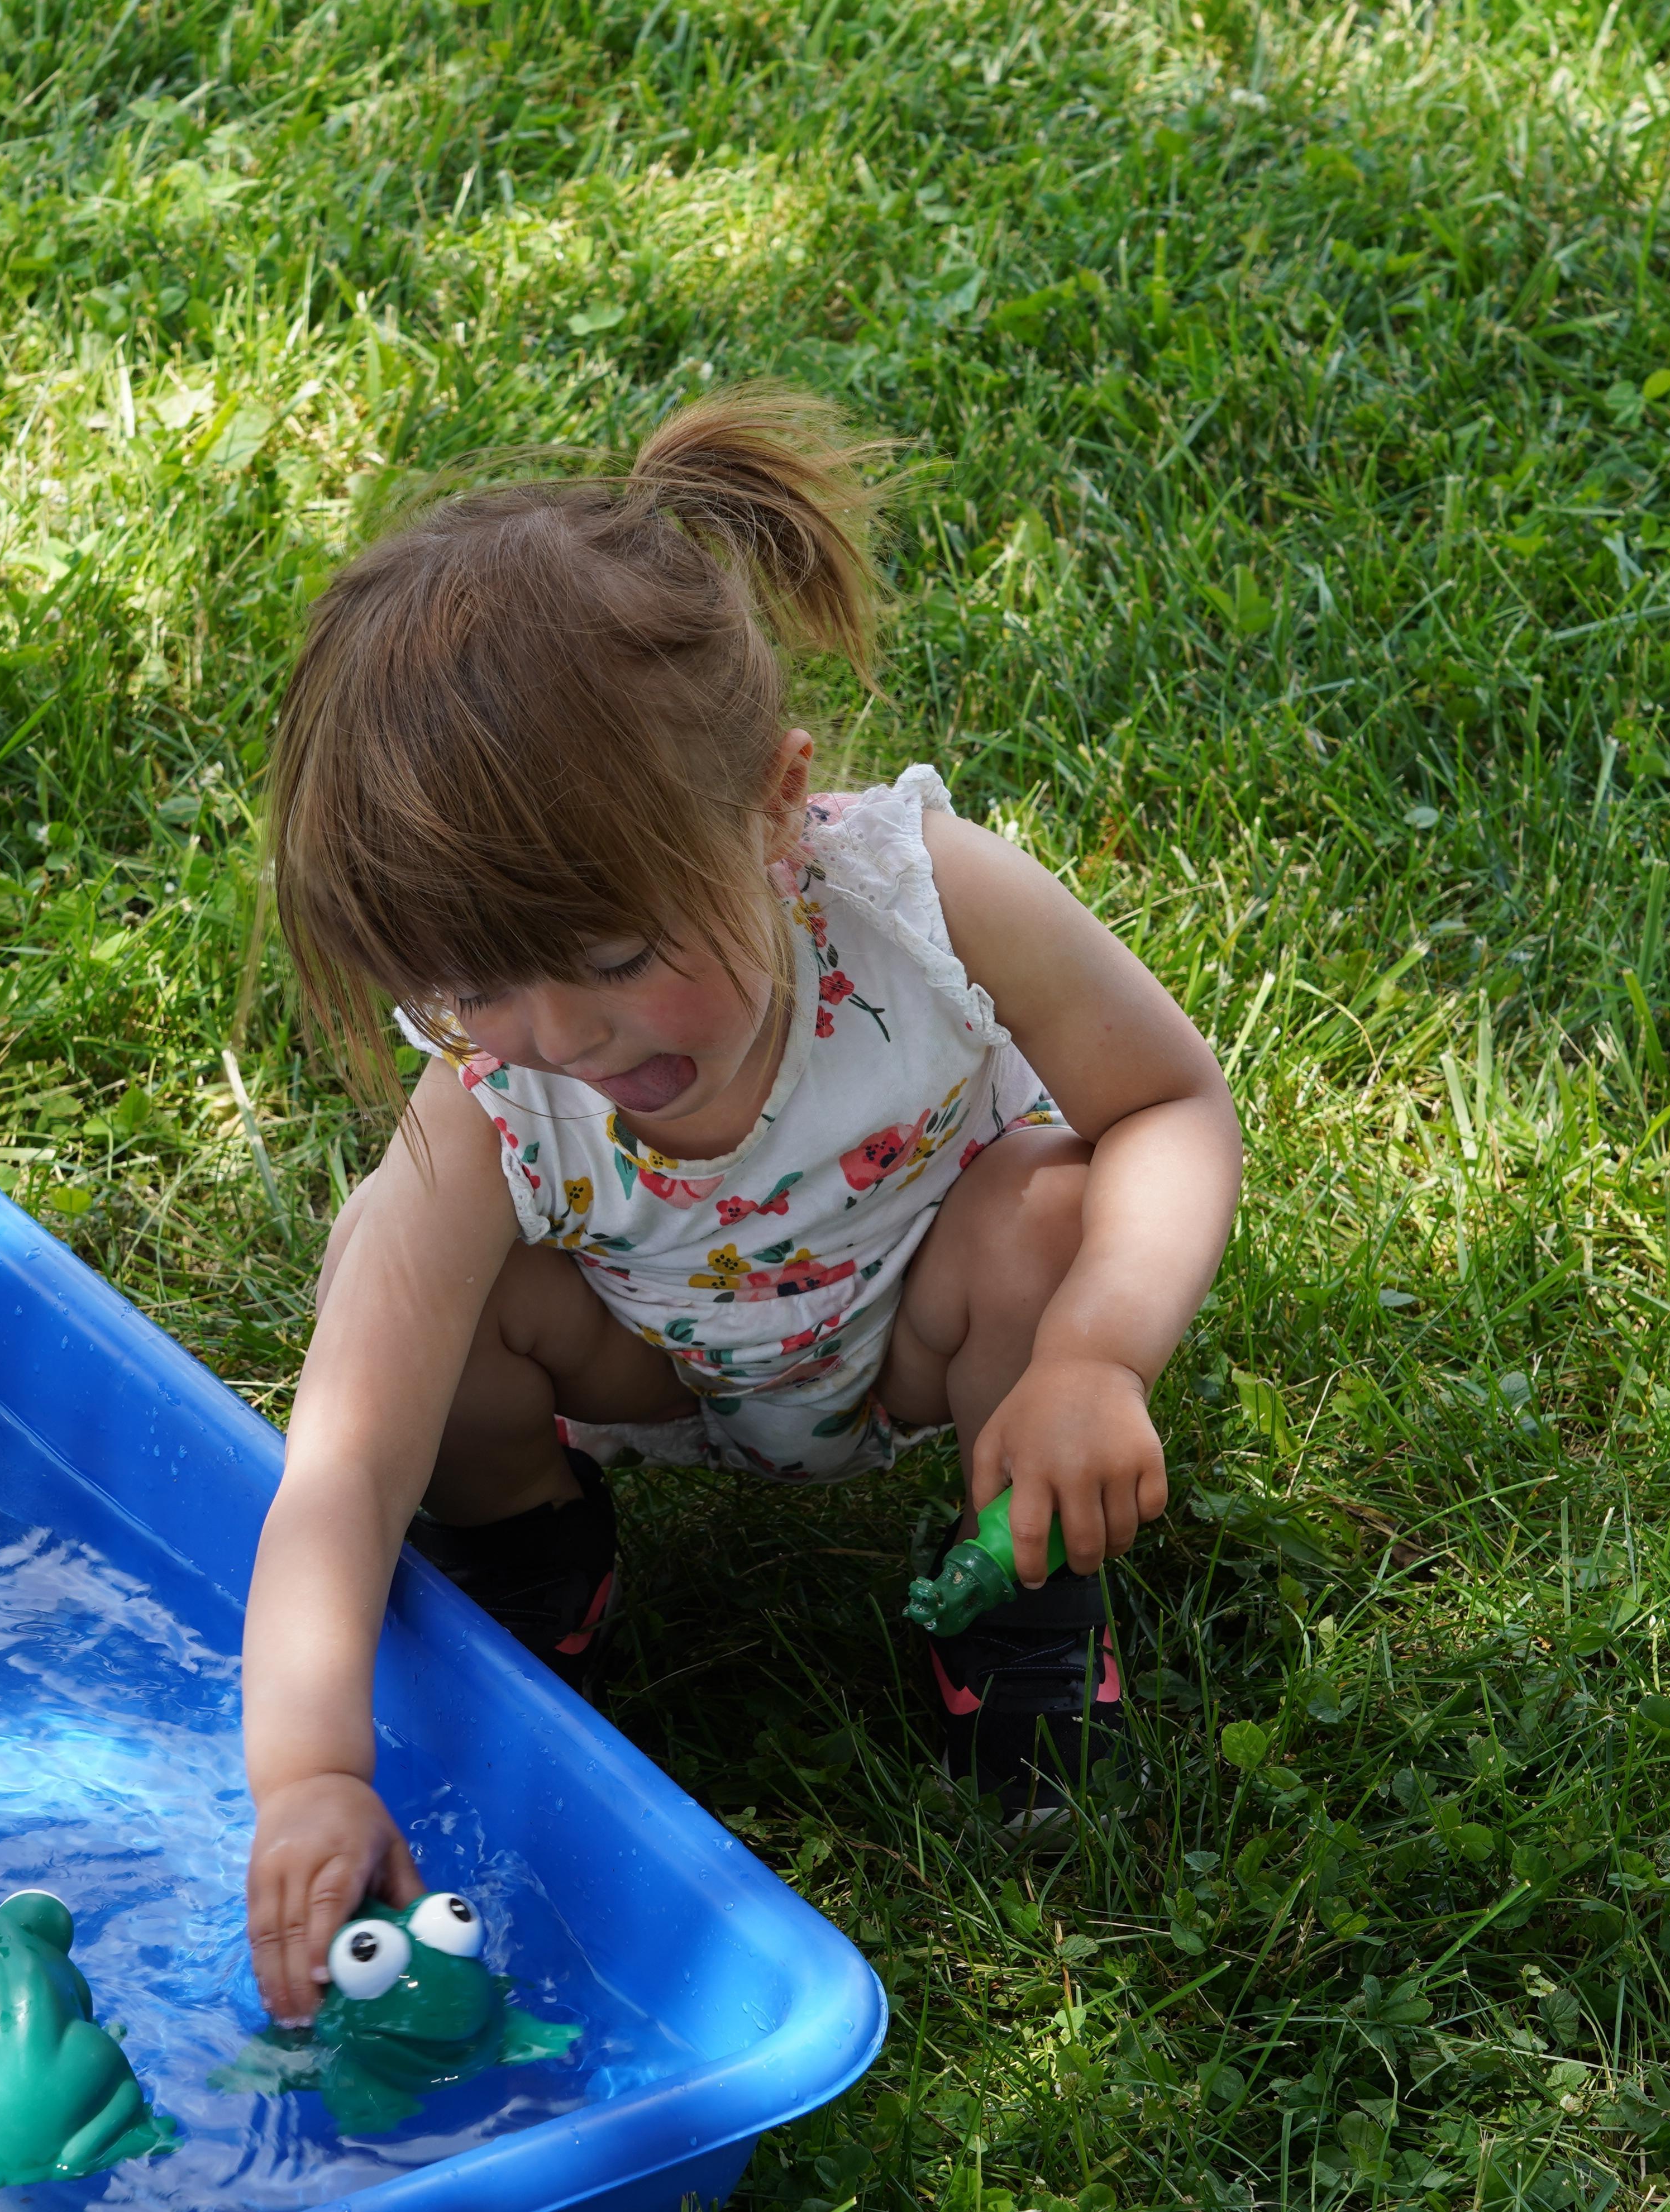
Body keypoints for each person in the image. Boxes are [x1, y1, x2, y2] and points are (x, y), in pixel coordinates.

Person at [239, 388, 1243, 2019]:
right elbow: (341, 1472)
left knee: (1050, 1219)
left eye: (624, 959)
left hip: (932, 1327)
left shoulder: (923, 905)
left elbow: (1171, 1107)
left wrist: (1097, 1357)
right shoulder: (491, 1093)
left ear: (778, 811)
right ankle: (536, 1562)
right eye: (474, 988)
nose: (563, 1040)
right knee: (412, 1270)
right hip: (657, 1366)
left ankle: (1024, 1598)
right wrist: (305, 1775)